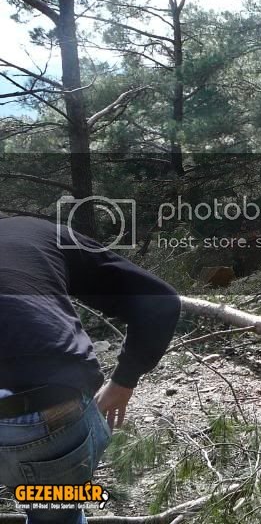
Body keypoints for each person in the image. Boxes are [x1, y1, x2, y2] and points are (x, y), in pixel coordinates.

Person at [0, 216, 181, 524]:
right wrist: (124, 381)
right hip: (48, 412)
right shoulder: (38, 233)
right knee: (55, 516)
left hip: (41, 408)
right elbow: (160, 301)